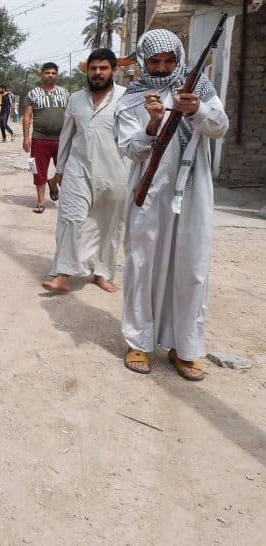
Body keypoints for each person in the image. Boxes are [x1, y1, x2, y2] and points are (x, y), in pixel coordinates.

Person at [115, 29, 229, 380]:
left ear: (179, 58)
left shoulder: (199, 89)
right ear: (143, 62)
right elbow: (129, 148)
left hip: (193, 191)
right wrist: (152, 124)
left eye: (169, 61)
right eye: (154, 61)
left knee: (191, 269)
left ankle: (185, 347)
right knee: (143, 263)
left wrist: (196, 111)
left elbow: (220, 127)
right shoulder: (132, 98)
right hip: (149, 192)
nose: (163, 68)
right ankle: (139, 342)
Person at [42, 49, 130, 293]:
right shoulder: (76, 99)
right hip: (78, 169)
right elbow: (66, 135)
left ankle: (102, 273)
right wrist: (60, 170)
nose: (98, 73)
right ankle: (63, 274)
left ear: (114, 70)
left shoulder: (126, 98)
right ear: (87, 71)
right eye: (93, 68)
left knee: (108, 225)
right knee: (70, 220)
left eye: (103, 68)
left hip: (116, 172)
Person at [22, 62, 69, 213]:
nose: (50, 75)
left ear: (57, 75)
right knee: (38, 171)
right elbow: (27, 116)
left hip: (62, 139)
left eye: (53, 73)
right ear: (41, 75)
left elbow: (72, 116)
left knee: (65, 171)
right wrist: (26, 138)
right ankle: (41, 202)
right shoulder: (33, 94)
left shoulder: (65, 93)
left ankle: (54, 182)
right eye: (47, 72)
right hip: (39, 139)